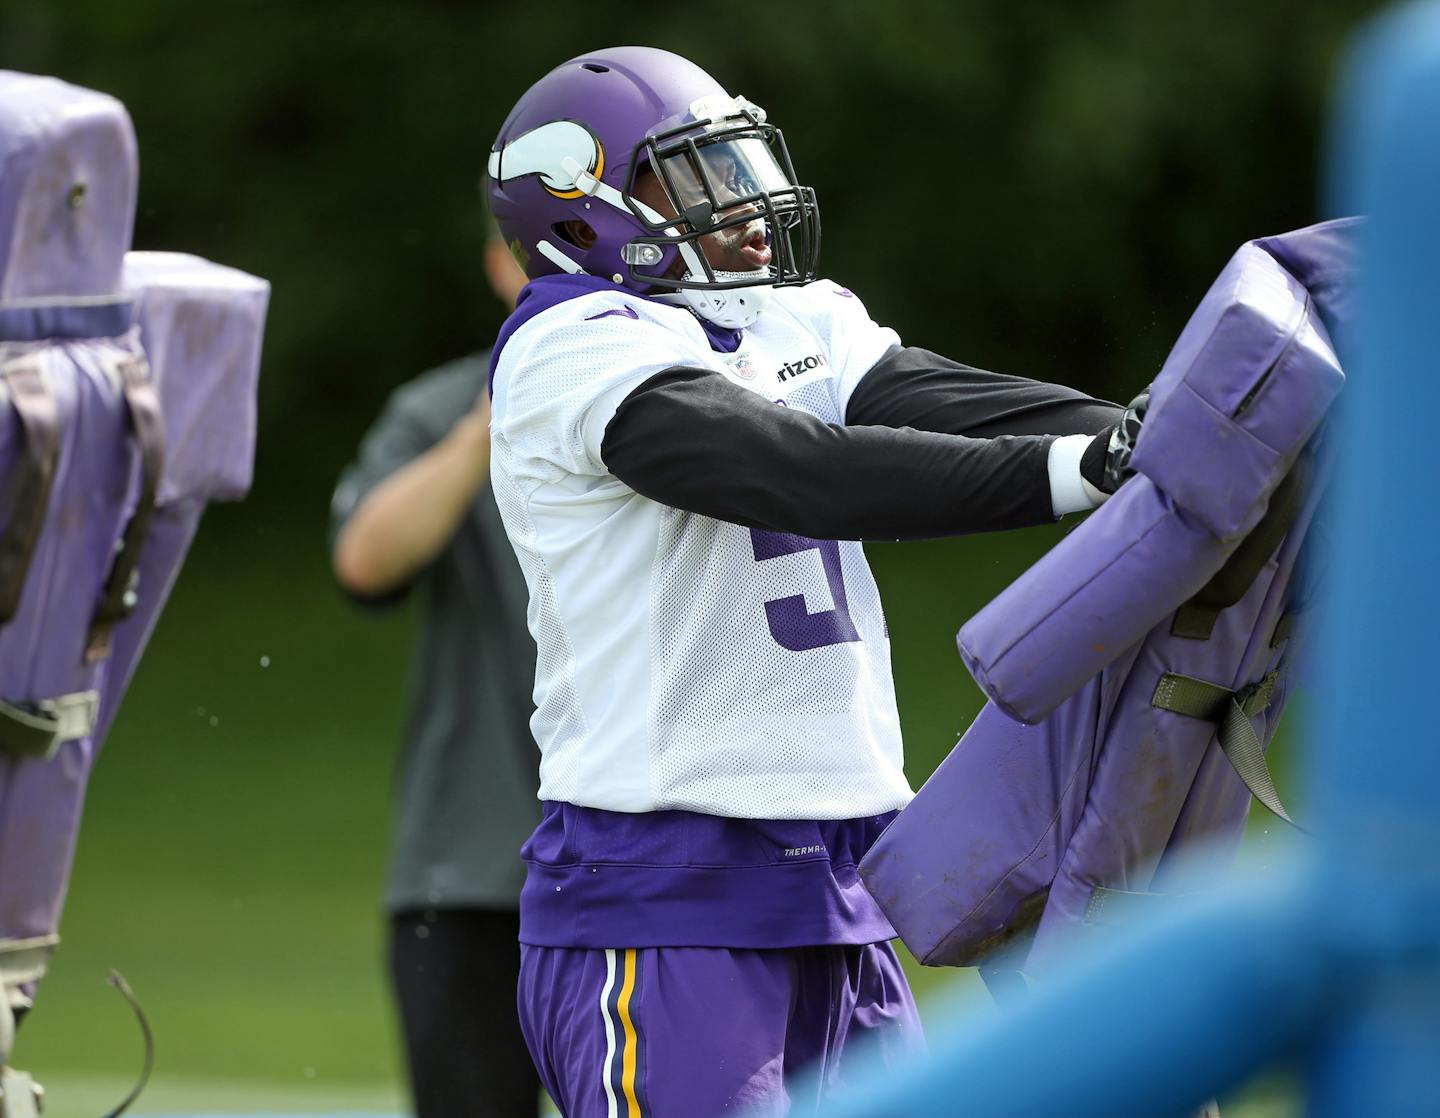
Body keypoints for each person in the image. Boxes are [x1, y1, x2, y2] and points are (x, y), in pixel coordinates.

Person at [484, 46, 1142, 1116]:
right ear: (582, 211)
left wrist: (1155, 434)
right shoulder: (569, 342)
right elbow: (798, 471)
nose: (744, 205)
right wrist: (1082, 473)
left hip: (845, 884)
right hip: (664, 888)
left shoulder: (789, 318)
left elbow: (937, 398)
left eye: (738, 165)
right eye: (694, 176)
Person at [329, 227, 541, 1118]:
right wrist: (488, 426)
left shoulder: (676, 405)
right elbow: (365, 560)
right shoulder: (439, 409)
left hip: (657, 868)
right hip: (470, 871)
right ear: (498, 261)